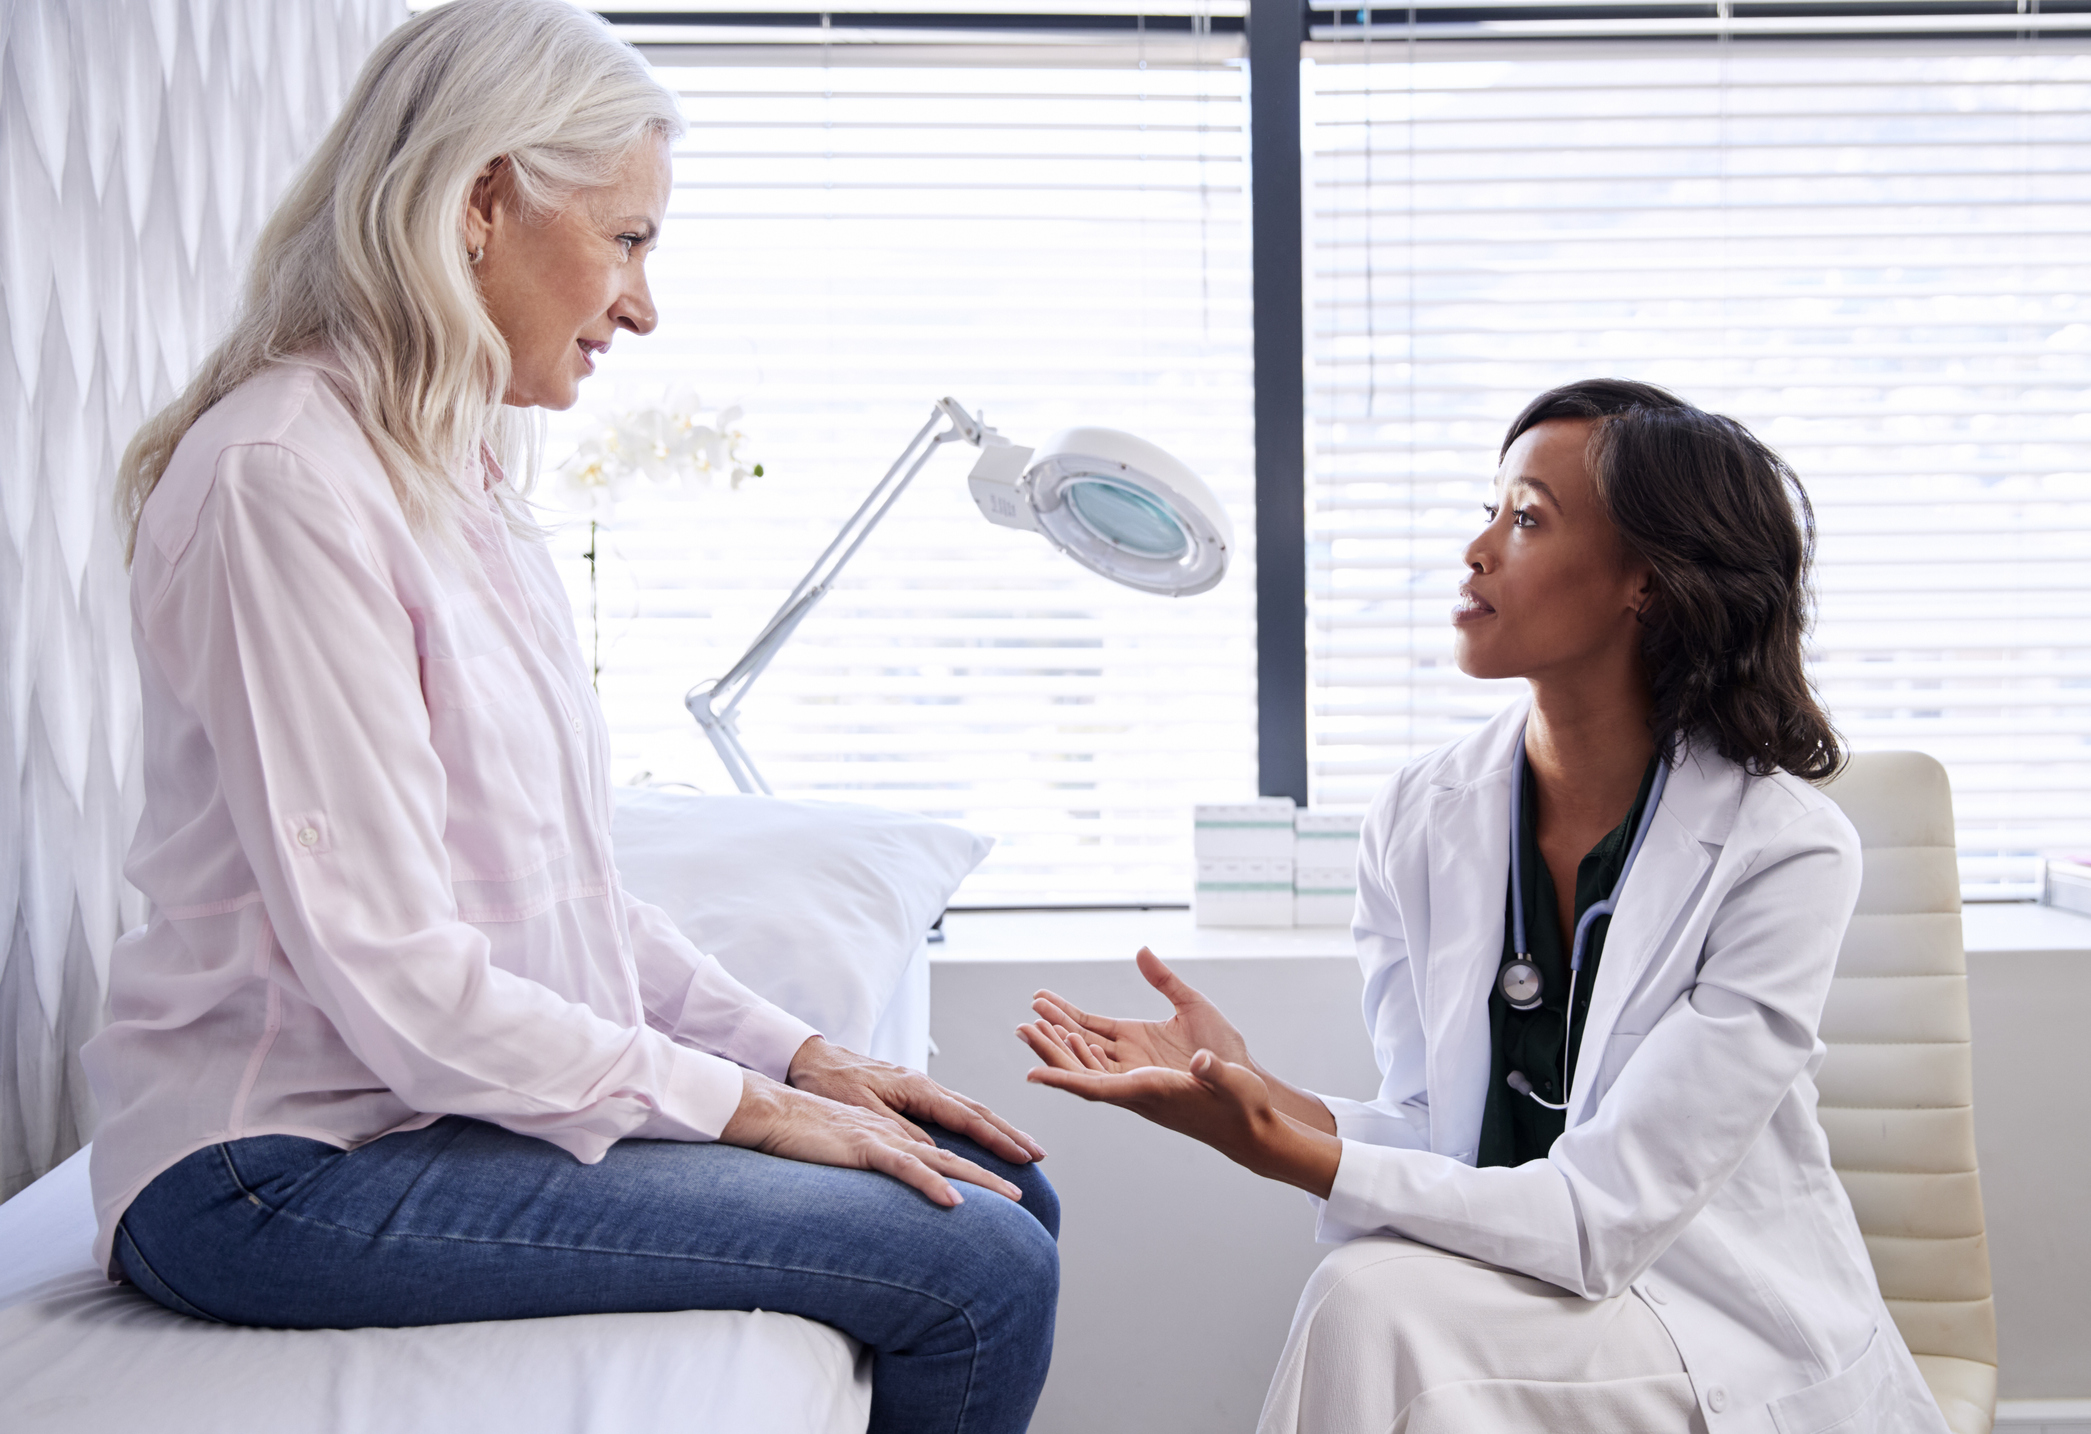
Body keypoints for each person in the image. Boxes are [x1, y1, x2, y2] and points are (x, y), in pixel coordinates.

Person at [81, 4, 1056, 1430]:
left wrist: (797, 1055)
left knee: (998, 1185)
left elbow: (562, 897)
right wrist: (745, 1110)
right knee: (973, 1268)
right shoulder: (284, 480)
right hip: (267, 1169)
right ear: (479, 201)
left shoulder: (454, 481)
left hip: (406, 1117)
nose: (644, 304)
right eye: (628, 238)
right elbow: (404, 976)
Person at [1018, 380, 1948, 1434]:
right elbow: (1435, 1130)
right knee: (1371, 1300)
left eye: (1527, 518)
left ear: (1645, 580)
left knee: (1370, 1302)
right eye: (1490, 507)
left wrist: (1275, 1143)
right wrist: (1249, 1091)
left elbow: (1603, 1219)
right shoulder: (1421, 815)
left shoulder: (1782, 851)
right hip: (1518, 1293)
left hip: (1711, 1324)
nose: (1475, 548)